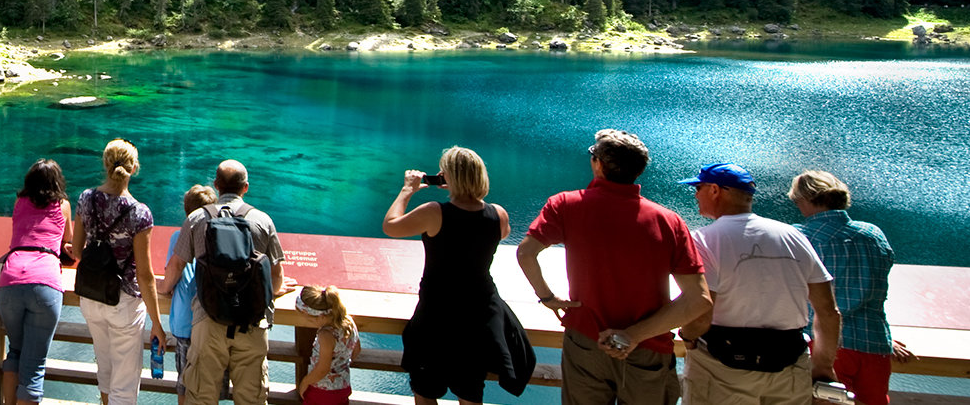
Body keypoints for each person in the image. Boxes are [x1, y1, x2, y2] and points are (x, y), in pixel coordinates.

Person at [515, 129, 710, 405]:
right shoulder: (669, 222)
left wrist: (547, 297)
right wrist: (632, 336)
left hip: (586, 341)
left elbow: (526, 253)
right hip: (647, 349)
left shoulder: (566, 205)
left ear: (599, 164)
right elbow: (698, 300)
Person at [679, 162, 840, 404]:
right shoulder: (793, 236)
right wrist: (823, 366)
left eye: (698, 188)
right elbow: (828, 312)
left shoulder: (703, 240)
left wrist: (688, 336)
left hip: (723, 366)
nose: (695, 194)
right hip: (789, 363)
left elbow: (701, 310)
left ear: (715, 190)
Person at [384, 146, 534, 404]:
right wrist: (460, 191)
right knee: (470, 392)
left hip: (436, 314)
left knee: (425, 391)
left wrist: (407, 190)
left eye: (445, 172)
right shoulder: (498, 215)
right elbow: (501, 233)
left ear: (451, 177)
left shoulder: (434, 212)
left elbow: (390, 226)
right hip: (478, 316)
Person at [161, 159, 287, 405]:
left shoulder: (197, 218)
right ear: (246, 187)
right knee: (251, 398)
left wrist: (163, 288)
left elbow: (176, 265)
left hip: (208, 320)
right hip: (251, 322)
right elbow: (277, 276)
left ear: (217, 185)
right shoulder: (262, 220)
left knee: (201, 396)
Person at [789, 170, 913, 405]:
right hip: (874, 342)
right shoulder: (873, 234)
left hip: (823, 345)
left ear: (805, 200)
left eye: (796, 200)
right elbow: (874, 288)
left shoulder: (799, 236)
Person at [72, 139, 165, 405]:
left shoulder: (85, 199)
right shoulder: (140, 213)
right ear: (134, 168)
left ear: (104, 164)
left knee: (105, 367)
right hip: (123, 302)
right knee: (125, 383)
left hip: (91, 296)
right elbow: (145, 275)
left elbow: (78, 250)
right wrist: (157, 323)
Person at [0, 159, 74, 405]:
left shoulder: (19, 202)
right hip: (45, 281)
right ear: (57, 182)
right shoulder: (62, 205)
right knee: (34, 366)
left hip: (11, 279)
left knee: (15, 351)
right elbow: (68, 243)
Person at [164, 184, 217, 398]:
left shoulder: (178, 236)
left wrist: (162, 287)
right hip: (214, 319)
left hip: (186, 321)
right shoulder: (221, 236)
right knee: (210, 388)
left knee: (185, 385)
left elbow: (172, 272)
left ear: (186, 210)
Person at [294, 285, 360, 405]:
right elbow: (356, 350)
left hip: (322, 391)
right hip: (343, 386)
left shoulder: (325, 335)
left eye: (310, 320)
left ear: (321, 317)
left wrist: (305, 382)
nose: (310, 323)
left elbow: (323, 369)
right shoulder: (349, 322)